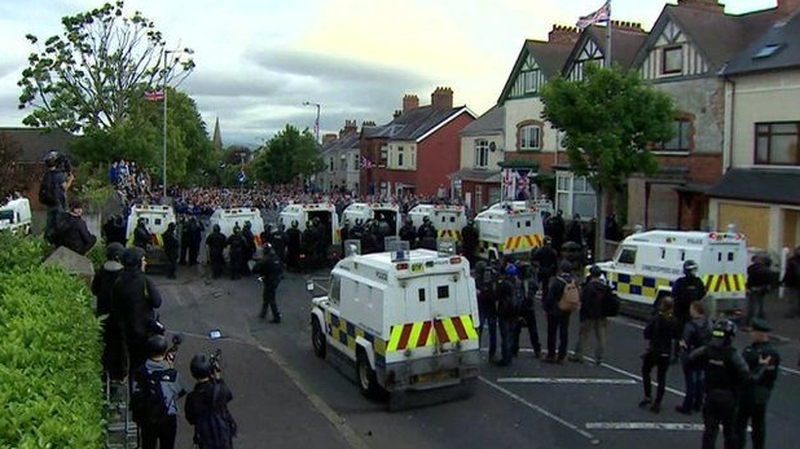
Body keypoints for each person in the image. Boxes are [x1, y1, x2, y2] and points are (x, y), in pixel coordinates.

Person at [685, 319, 772, 449]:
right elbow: (749, 378)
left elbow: (689, 362)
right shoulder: (733, 355)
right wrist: (762, 367)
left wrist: (702, 366)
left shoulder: (705, 351)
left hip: (711, 396)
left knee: (710, 433)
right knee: (730, 434)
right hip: (729, 399)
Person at [113, 247, 163, 378]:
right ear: (138, 263)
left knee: (130, 363)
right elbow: (157, 302)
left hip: (125, 331)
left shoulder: (118, 282)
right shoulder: (145, 281)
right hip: (145, 331)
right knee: (144, 363)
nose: (145, 263)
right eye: (143, 260)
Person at [132, 335, 187, 449]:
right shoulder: (171, 374)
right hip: (167, 417)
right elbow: (181, 390)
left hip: (146, 417)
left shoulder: (140, 371)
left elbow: (135, 391)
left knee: (148, 444)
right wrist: (170, 367)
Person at [735, 318, 780, 449]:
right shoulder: (773, 353)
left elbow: (742, 371)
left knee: (739, 424)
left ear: (760, 334)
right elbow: (773, 375)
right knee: (758, 425)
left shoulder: (751, 352)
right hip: (763, 393)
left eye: (753, 332)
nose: (751, 334)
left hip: (747, 392)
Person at [638, 296, 681, 413]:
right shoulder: (674, 321)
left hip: (654, 350)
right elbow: (676, 336)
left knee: (646, 371)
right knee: (661, 377)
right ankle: (658, 402)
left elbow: (647, 333)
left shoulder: (657, 319)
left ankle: (648, 395)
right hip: (666, 352)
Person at [185, 353, 237, 449]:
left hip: (204, 437)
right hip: (222, 434)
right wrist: (218, 379)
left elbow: (191, 419)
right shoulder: (219, 390)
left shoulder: (192, 397)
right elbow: (228, 396)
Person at [91, 242, 126, 381]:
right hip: (119, 318)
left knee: (105, 345)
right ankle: (119, 375)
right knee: (120, 346)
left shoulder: (101, 272)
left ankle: (104, 373)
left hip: (103, 314)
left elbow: (94, 290)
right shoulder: (123, 274)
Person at [676, 300, 712, 415]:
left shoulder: (690, 325)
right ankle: (698, 403)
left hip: (692, 355)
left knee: (690, 381)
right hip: (704, 354)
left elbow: (684, 341)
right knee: (700, 379)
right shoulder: (708, 322)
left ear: (695, 310)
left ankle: (687, 406)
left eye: (691, 309)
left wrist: (681, 349)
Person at [569, 265, 611, 364]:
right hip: (602, 315)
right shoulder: (605, 287)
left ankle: (579, 355)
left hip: (589, 315)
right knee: (601, 336)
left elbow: (585, 302)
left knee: (583, 335)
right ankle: (599, 357)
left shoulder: (589, 287)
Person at [671, 260, 706, 360]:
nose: (693, 272)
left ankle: (690, 354)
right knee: (679, 335)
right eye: (691, 270)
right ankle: (676, 354)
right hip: (681, 313)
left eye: (694, 270)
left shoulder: (698, 282)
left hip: (692, 314)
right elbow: (674, 295)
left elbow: (702, 294)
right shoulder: (680, 282)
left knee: (693, 335)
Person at [542, 261, 575, 364]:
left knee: (552, 332)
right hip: (567, 309)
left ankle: (551, 354)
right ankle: (562, 355)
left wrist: (546, 308)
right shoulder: (573, 281)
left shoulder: (557, 281)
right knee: (564, 333)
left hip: (555, 310)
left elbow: (550, 298)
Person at [41, 150, 73, 244]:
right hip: (59, 202)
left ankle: (47, 242)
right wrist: (70, 179)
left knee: (50, 225)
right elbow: (65, 187)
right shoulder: (59, 175)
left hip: (49, 202)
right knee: (60, 224)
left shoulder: (46, 174)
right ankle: (58, 243)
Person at [495, 263, 522, 366]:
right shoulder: (519, 282)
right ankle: (510, 354)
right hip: (515, 312)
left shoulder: (504, 284)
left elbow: (497, 296)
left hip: (505, 312)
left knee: (505, 336)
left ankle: (506, 357)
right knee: (511, 334)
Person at [253, 242, 284, 322]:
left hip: (269, 280)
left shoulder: (265, 259)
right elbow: (281, 268)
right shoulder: (276, 257)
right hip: (276, 279)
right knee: (267, 296)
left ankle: (276, 317)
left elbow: (256, 269)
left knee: (270, 298)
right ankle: (263, 313)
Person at [476, 260, 498, 362]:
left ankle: (477, 350)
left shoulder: (478, 280)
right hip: (491, 307)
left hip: (482, 307)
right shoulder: (492, 277)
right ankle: (492, 354)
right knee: (492, 331)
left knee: (479, 330)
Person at [744, 255, 772, 329]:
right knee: (761, 305)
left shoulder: (751, 269)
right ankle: (762, 321)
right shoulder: (767, 269)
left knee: (752, 306)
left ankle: (750, 323)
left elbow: (749, 280)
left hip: (754, 289)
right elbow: (769, 281)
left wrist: (747, 288)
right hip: (763, 289)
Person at [531, 236, 558, 301]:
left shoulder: (541, 251)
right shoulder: (553, 251)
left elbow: (533, 258)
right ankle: (546, 297)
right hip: (549, 270)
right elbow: (555, 262)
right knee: (546, 284)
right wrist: (554, 272)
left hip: (542, 269)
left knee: (543, 284)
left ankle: (544, 297)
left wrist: (536, 265)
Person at [783, 246, 800, 318]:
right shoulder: (792, 261)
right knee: (796, 298)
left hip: (792, 283)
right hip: (795, 282)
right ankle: (796, 312)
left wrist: (784, 281)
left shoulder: (792, 261)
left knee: (793, 299)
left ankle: (792, 313)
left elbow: (788, 272)